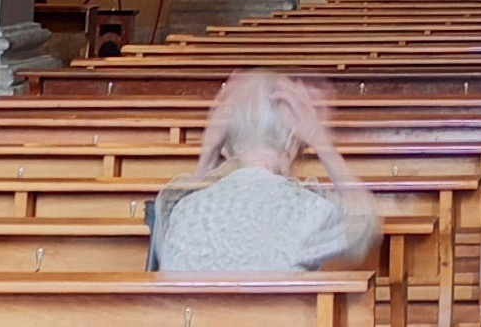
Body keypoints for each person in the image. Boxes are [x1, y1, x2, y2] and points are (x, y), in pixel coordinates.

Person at [147, 70, 378, 274]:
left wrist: (207, 154)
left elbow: (168, 231)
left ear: (226, 145)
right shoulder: (311, 211)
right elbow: (364, 224)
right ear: (293, 141)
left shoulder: (181, 211)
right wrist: (322, 142)